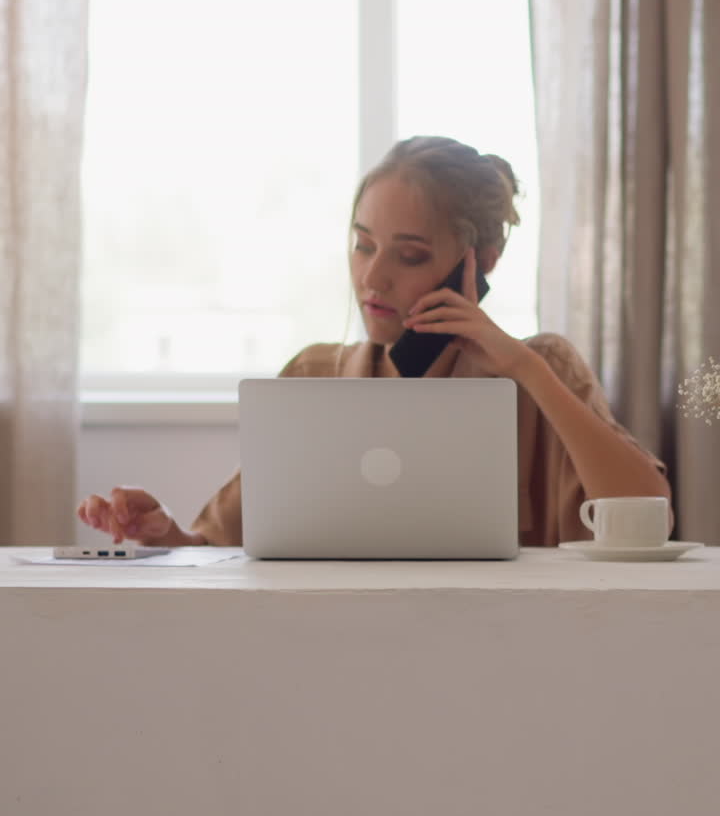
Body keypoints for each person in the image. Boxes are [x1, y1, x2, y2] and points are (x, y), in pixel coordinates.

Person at [77, 136, 672, 548]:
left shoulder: (543, 371)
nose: (372, 278)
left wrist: (524, 368)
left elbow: (650, 514)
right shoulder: (314, 378)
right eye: (363, 245)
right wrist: (166, 535)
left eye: (409, 255)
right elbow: (219, 548)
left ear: (481, 262)